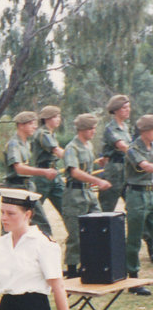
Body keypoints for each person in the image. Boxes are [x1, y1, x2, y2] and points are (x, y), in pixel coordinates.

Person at [63, 114, 112, 278]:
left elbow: (85, 166)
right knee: (76, 234)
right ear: (82, 129)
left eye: (94, 128)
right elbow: (74, 171)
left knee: (97, 226)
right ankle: (71, 271)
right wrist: (98, 181)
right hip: (74, 194)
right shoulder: (72, 148)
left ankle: (91, 264)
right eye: (91, 128)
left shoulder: (88, 146)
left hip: (88, 193)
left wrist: (100, 162)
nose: (94, 131)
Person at [3, 111, 60, 236]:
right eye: (31, 124)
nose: (35, 126)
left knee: (41, 224)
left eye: (34, 123)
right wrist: (44, 172)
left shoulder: (26, 144)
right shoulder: (14, 144)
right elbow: (19, 168)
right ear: (21, 125)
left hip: (27, 187)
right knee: (10, 229)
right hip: (15, 189)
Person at [124, 115, 153, 294]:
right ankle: (133, 279)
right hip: (137, 194)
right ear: (145, 131)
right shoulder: (133, 149)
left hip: (150, 192)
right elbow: (146, 166)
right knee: (134, 238)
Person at [31, 106, 67, 234]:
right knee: (33, 212)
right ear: (46, 119)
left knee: (66, 207)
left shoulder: (50, 133)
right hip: (42, 176)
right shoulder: (43, 134)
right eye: (55, 116)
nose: (59, 119)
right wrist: (73, 158)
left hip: (54, 174)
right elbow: (57, 151)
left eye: (59, 116)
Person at [98, 94, 131, 213]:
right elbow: (122, 146)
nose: (128, 110)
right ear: (116, 110)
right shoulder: (110, 128)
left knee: (133, 205)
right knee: (107, 208)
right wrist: (140, 156)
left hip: (126, 170)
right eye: (124, 108)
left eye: (129, 107)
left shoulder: (125, 127)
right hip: (114, 172)